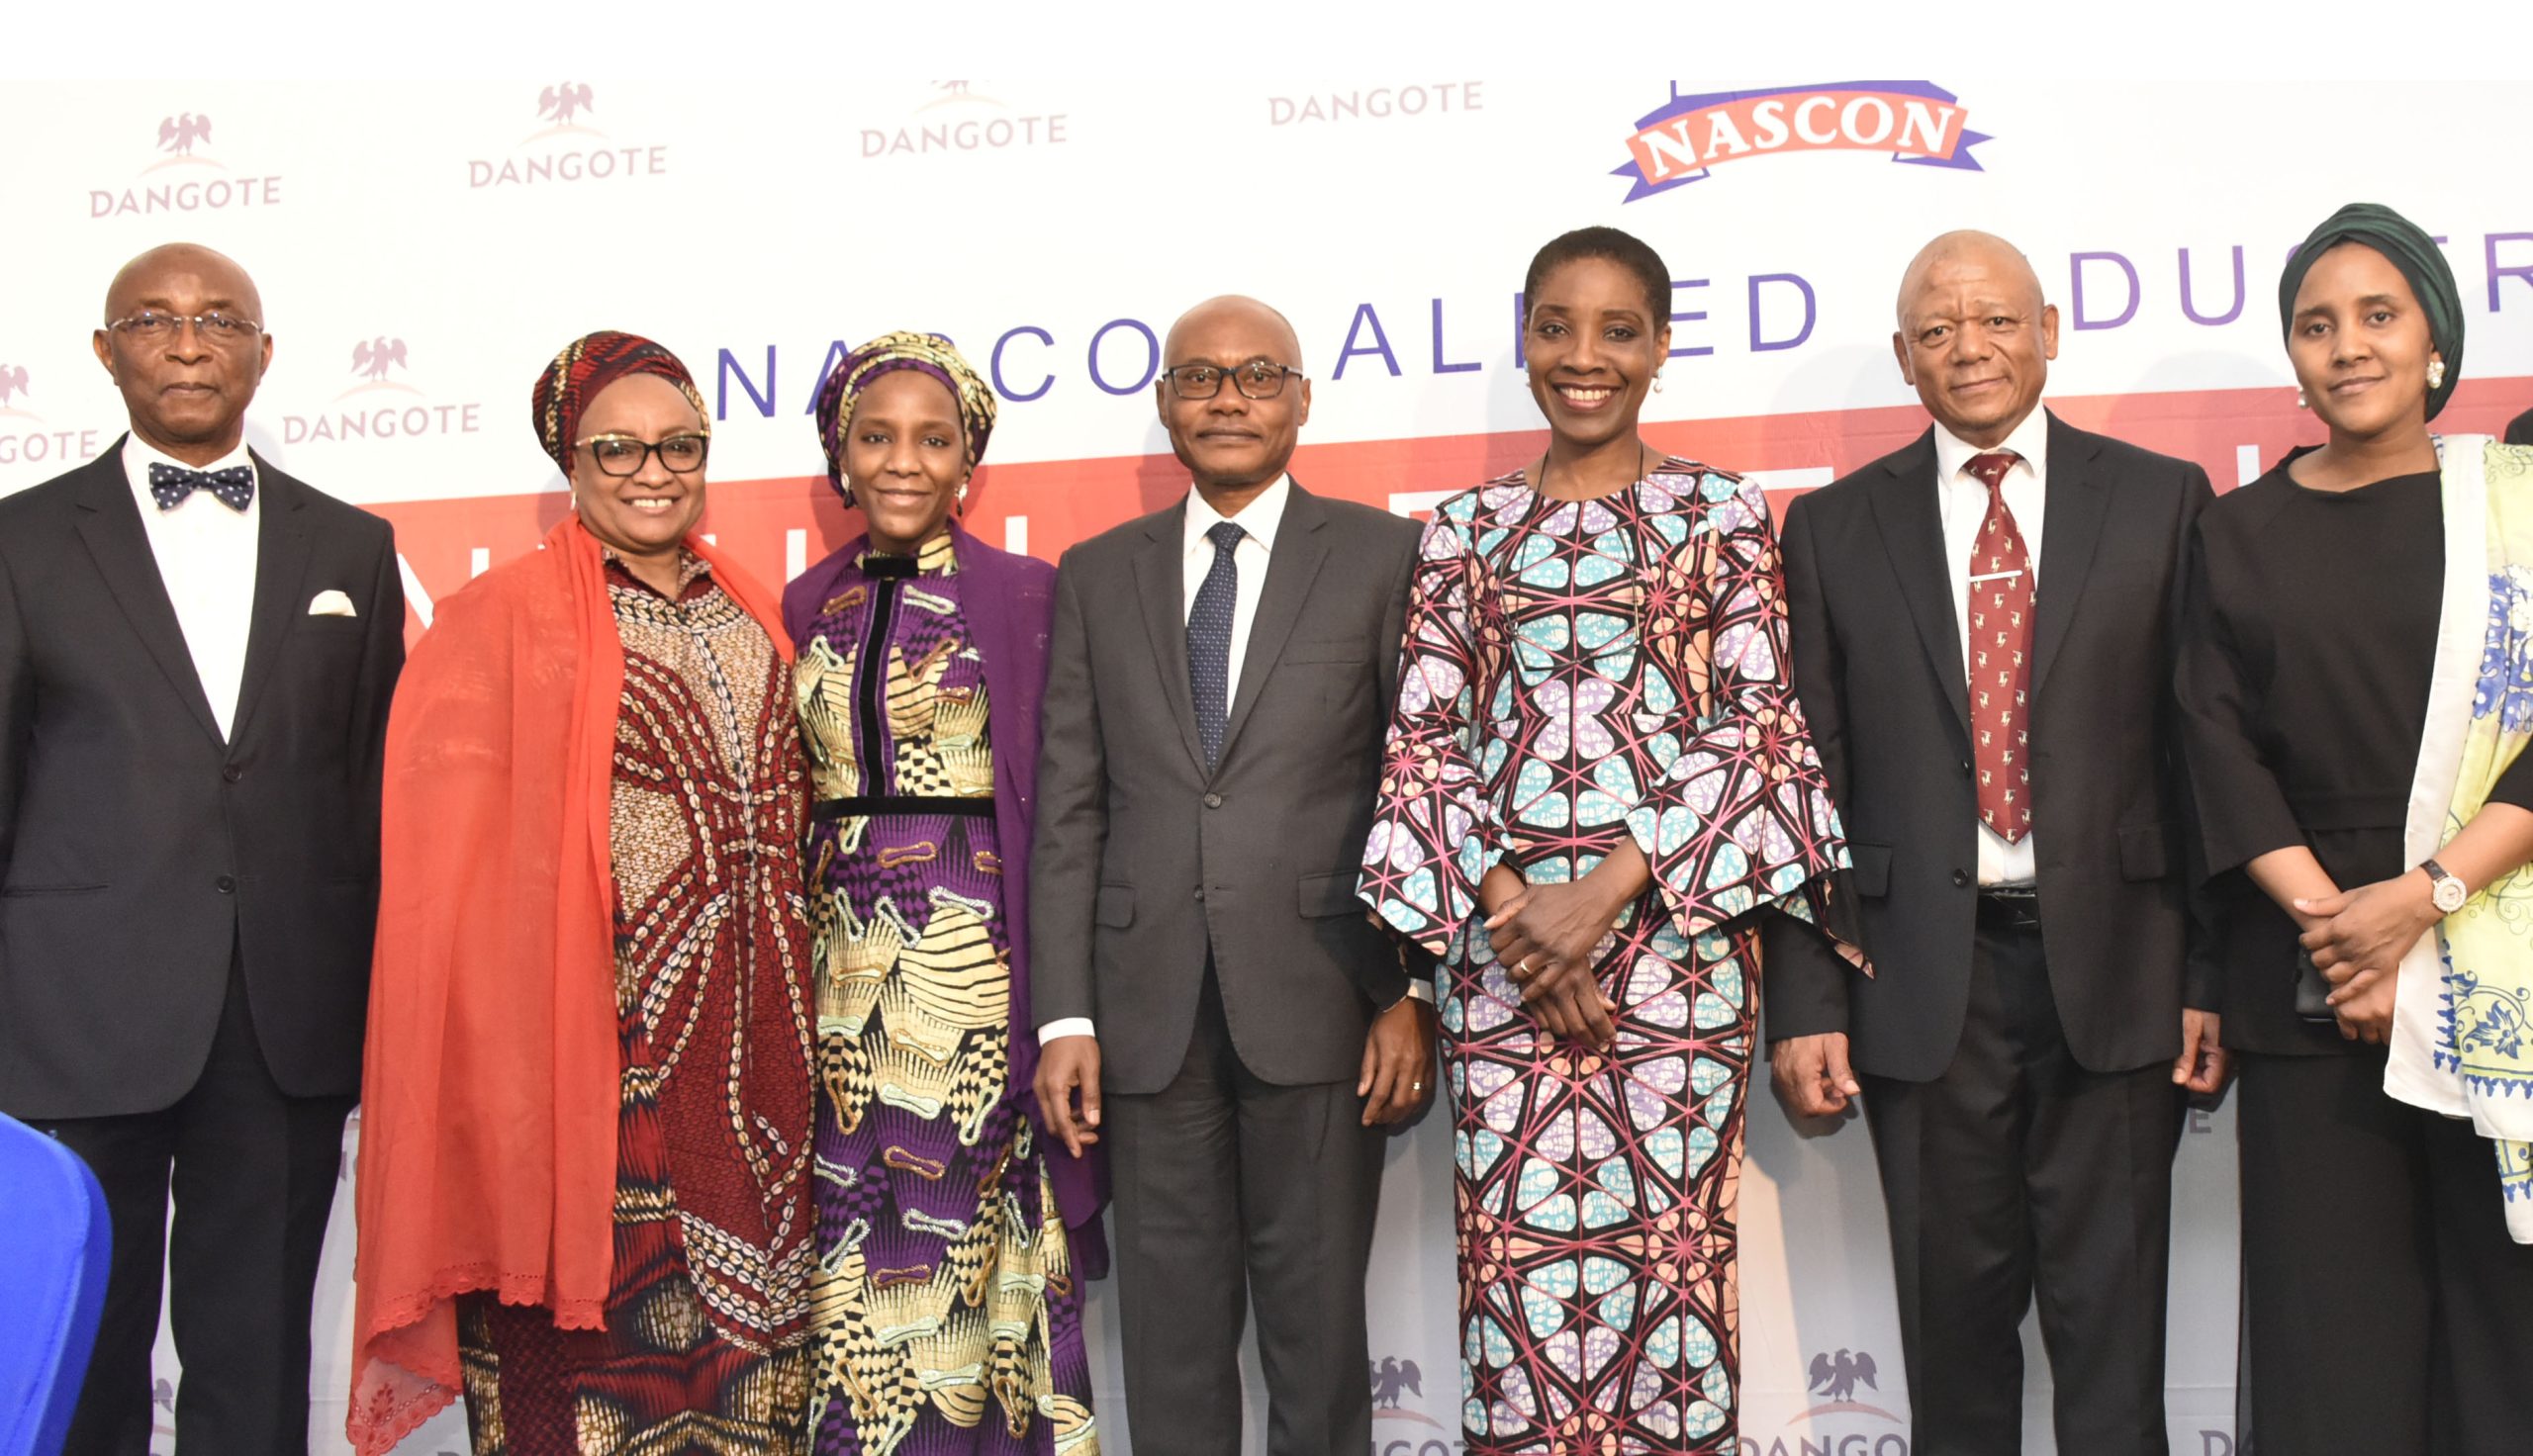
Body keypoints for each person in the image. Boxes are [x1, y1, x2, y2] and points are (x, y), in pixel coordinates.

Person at [1358, 225, 1847, 1456]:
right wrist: (1528, 918)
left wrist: (1602, 899)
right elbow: (1422, 741)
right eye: (1557, 327)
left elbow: (1757, 724)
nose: (1585, 357)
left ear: (1661, 348)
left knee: (1676, 1290)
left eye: (1617, 330)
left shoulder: (1722, 510)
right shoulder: (1457, 532)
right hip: (1501, 962)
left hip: (1677, 961)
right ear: (1524, 337)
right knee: (1512, 1301)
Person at [1764, 229, 2222, 1456]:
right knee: (1953, 1365)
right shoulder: (1828, 527)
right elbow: (1805, 777)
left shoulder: (2161, 496)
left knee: (2114, 1354)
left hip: (2121, 973)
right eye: (1936, 327)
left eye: (1995, 319)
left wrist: (2203, 975)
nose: (1968, 346)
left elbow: (2201, 756)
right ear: (1906, 358)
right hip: (1920, 984)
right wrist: (1806, 996)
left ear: (2050, 329)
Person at [348, 332, 817, 1456]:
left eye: (680, 446)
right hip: (597, 1084)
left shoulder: (749, 606)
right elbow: (444, 887)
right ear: (570, 456)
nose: (653, 470)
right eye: (620, 447)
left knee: (762, 1400)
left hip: (765, 1080)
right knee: (598, 1393)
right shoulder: (500, 620)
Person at [0, 242, 402, 1455]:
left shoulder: (352, 548)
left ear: (263, 354)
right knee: (83, 1341)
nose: (187, 342)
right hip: (73, 1011)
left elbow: (370, 790)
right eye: (155, 319)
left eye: (218, 319)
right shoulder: (18, 540)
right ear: (105, 349)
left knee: (260, 1346)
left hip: (283, 1010)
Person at [1029, 295, 1435, 1455]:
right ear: (1164, 404)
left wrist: (1404, 987)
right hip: (1142, 1014)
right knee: (1168, 1344)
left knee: (1315, 1339)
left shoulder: (1382, 555)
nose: (1227, 398)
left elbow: (1416, 786)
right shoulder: (1099, 572)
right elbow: (1071, 803)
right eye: (1200, 378)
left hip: (1323, 996)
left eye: (1257, 375)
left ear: (1301, 399)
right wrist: (1065, 1012)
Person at [2176, 202, 2533, 1454]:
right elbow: (2212, 749)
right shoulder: (2231, 531)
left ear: (2436, 339)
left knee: (2508, 1332)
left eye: (2378, 315)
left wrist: (2419, 903)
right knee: (2335, 1349)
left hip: (2495, 957)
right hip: (2308, 978)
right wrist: (2345, 939)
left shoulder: (2515, 505)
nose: (2348, 346)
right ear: (2291, 357)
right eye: (2315, 324)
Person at [786, 331, 1101, 1454]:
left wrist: (1061, 1003)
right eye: (877, 437)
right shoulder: (803, 601)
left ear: (970, 457)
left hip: (974, 972)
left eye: (933, 438)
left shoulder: (1026, 595)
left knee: (960, 1249)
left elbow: (1069, 811)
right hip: (837, 985)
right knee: (854, 1245)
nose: (905, 460)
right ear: (841, 455)